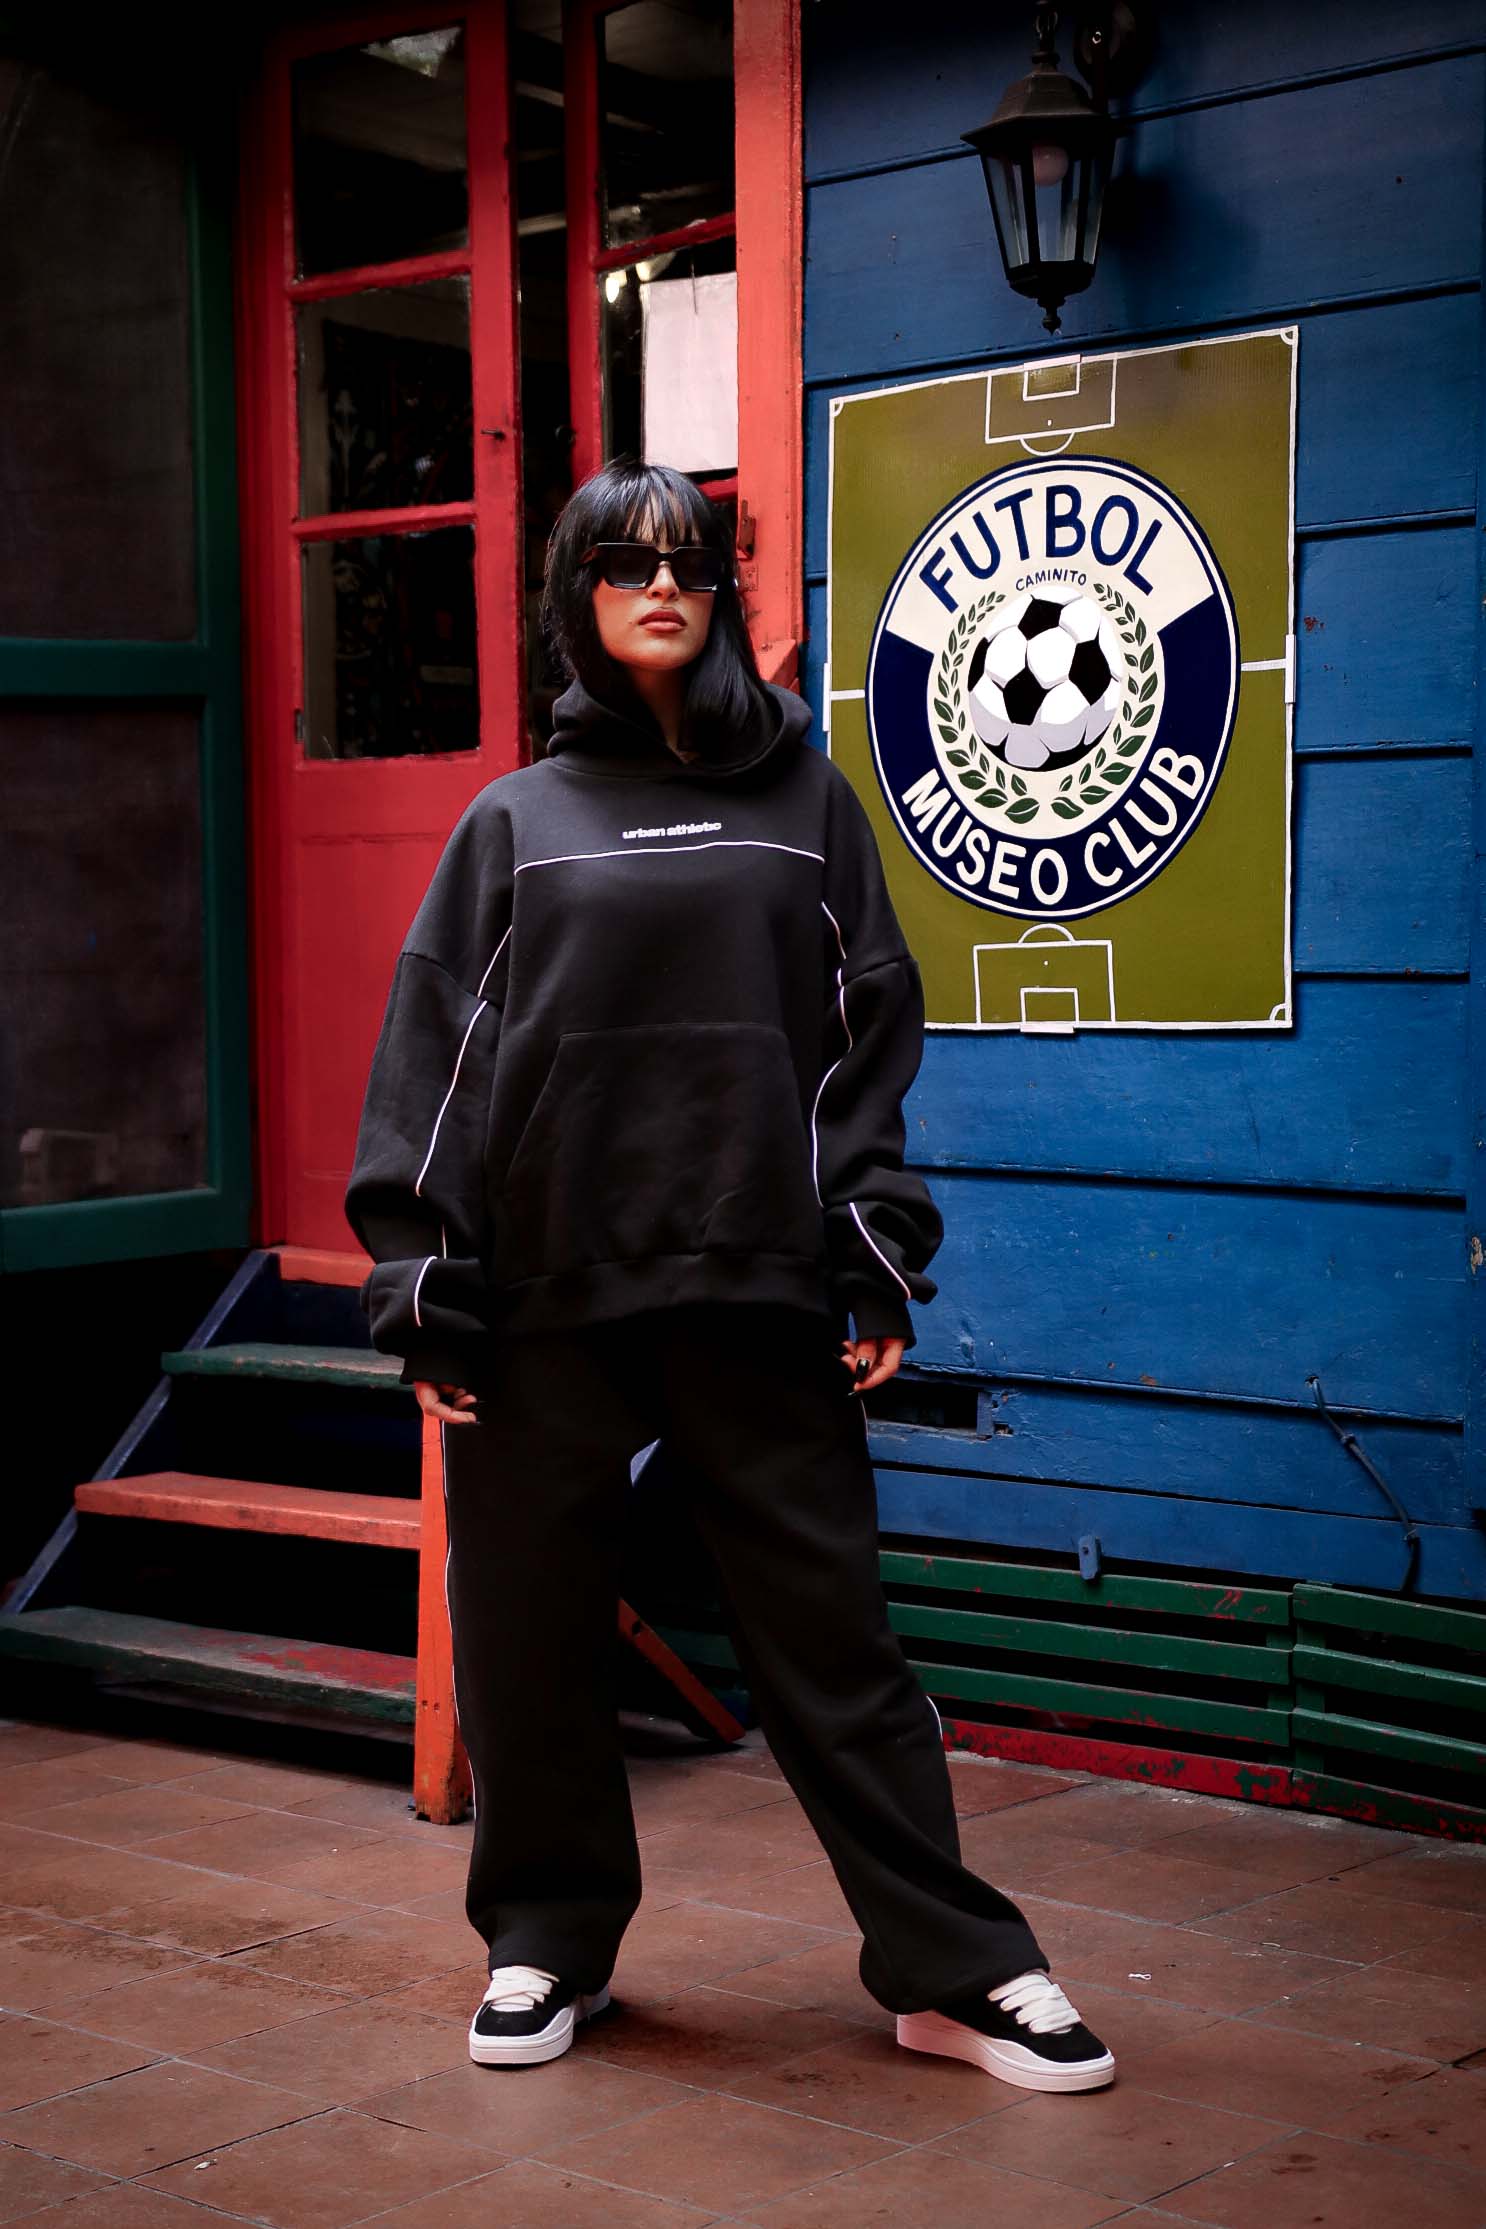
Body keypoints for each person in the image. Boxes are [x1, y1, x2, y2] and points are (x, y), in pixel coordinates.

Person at [344, 456, 1115, 2096]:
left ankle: (953, 1967)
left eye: (688, 561)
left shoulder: (805, 802)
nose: (660, 586)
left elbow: (861, 1037)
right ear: (574, 596)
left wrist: (869, 1252)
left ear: (721, 592)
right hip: (542, 1303)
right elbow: (435, 1062)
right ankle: (546, 1940)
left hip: (756, 1285)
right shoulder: (512, 822)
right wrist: (419, 1280)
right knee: (528, 1639)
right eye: (623, 564)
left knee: (835, 1644)